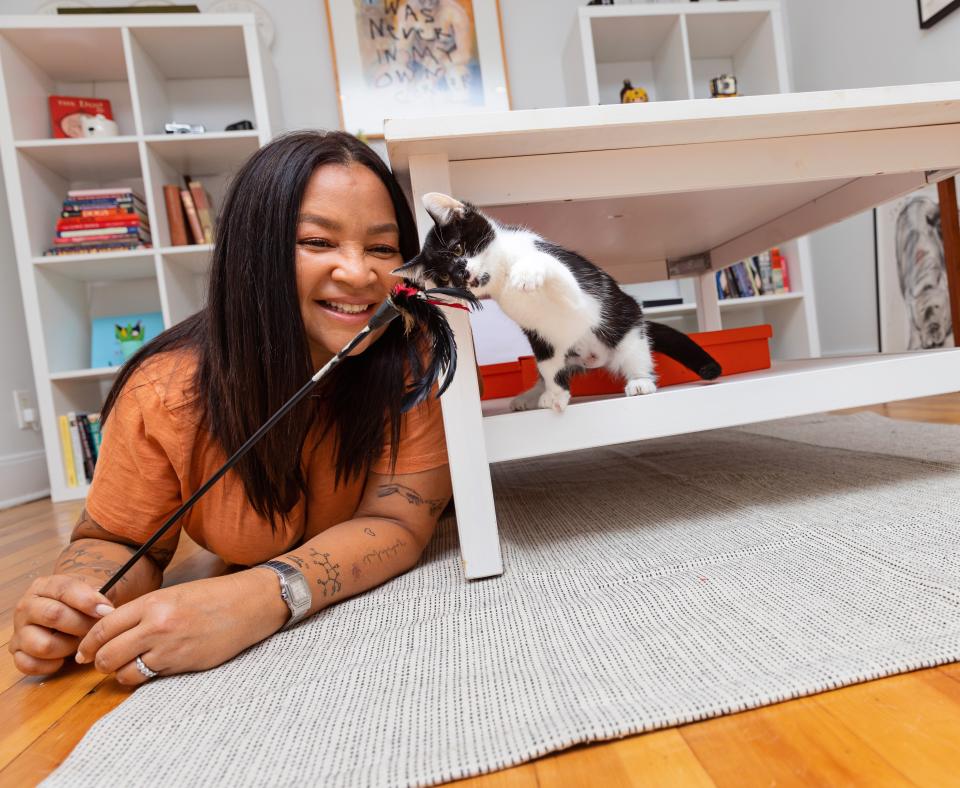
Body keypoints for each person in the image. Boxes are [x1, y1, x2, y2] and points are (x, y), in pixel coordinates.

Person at [10, 131, 452, 684]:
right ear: (253, 252)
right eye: (317, 241)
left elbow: (396, 522)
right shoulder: (163, 391)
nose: (360, 273)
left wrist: (256, 598)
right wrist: (76, 604)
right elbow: (119, 541)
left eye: (383, 249)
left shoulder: (413, 357)